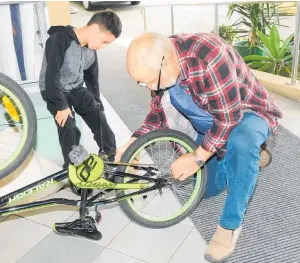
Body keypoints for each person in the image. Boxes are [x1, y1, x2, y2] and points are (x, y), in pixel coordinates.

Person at [116, 32, 283, 262]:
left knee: (241, 142)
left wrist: (197, 156)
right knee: (206, 189)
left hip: (245, 113)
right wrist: (133, 143)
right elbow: (157, 114)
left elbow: (228, 119)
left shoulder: (209, 55)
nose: (146, 87)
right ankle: (241, 157)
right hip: (209, 119)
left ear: (166, 62)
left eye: (148, 81)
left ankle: (230, 225)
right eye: (141, 82)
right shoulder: (161, 66)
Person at [39, 9, 122, 196]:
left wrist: (97, 104)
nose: (103, 46)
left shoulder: (91, 50)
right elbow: (51, 77)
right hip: (54, 90)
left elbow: (92, 80)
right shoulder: (60, 39)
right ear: (94, 29)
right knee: (68, 128)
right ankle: (74, 173)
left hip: (76, 88)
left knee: (100, 120)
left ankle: (108, 163)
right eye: (104, 41)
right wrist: (61, 106)